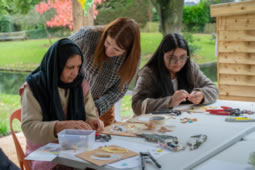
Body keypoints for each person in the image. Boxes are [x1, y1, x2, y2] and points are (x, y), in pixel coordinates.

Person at [20, 38, 104, 169]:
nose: (75, 73)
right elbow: (29, 129)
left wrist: (93, 121)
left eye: (78, 67)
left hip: (77, 148)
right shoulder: (34, 88)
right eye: (70, 67)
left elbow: (90, 113)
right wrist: (59, 127)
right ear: (56, 65)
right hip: (46, 153)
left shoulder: (80, 84)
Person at [69, 17, 141, 126]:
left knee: (104, 139)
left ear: (128, 50)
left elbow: (119, 90)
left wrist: (98, 107)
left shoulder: (132, 59)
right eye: (108, 43)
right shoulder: (88, 36)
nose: (109, 50)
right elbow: (61, 50)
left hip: (103, 105)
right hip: (72, 98)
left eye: (117, 49)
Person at [132, 33, 219, 115]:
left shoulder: (190, 67)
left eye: (183, 57)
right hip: (154, 124)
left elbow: (213, 88)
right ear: (162, 55)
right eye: (171, 58)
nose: (178, 62)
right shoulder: (149, 73)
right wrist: (170, 101)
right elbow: (136, 105)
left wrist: (202, 95)